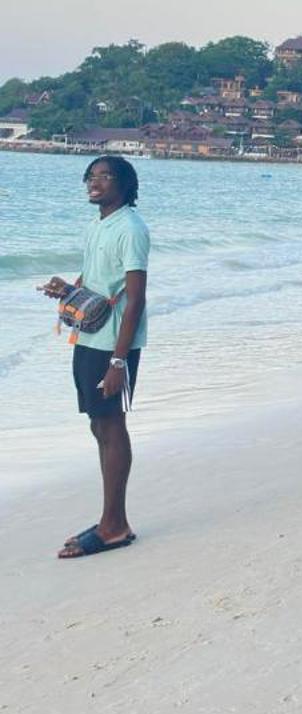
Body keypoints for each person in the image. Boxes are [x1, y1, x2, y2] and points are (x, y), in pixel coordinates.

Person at [39, 155, 150, 559]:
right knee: (98, 425)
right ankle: (110, 519)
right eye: (92, 176)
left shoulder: (132, 228)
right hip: (89, 337)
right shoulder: (97, 224)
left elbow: (135, 297)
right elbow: (98, 282)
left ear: (124, 184)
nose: (95, 182)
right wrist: (67, 289)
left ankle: (115, 526)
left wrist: (120, 361)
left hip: (113, 346)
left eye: (106, 176)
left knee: (111, 424)